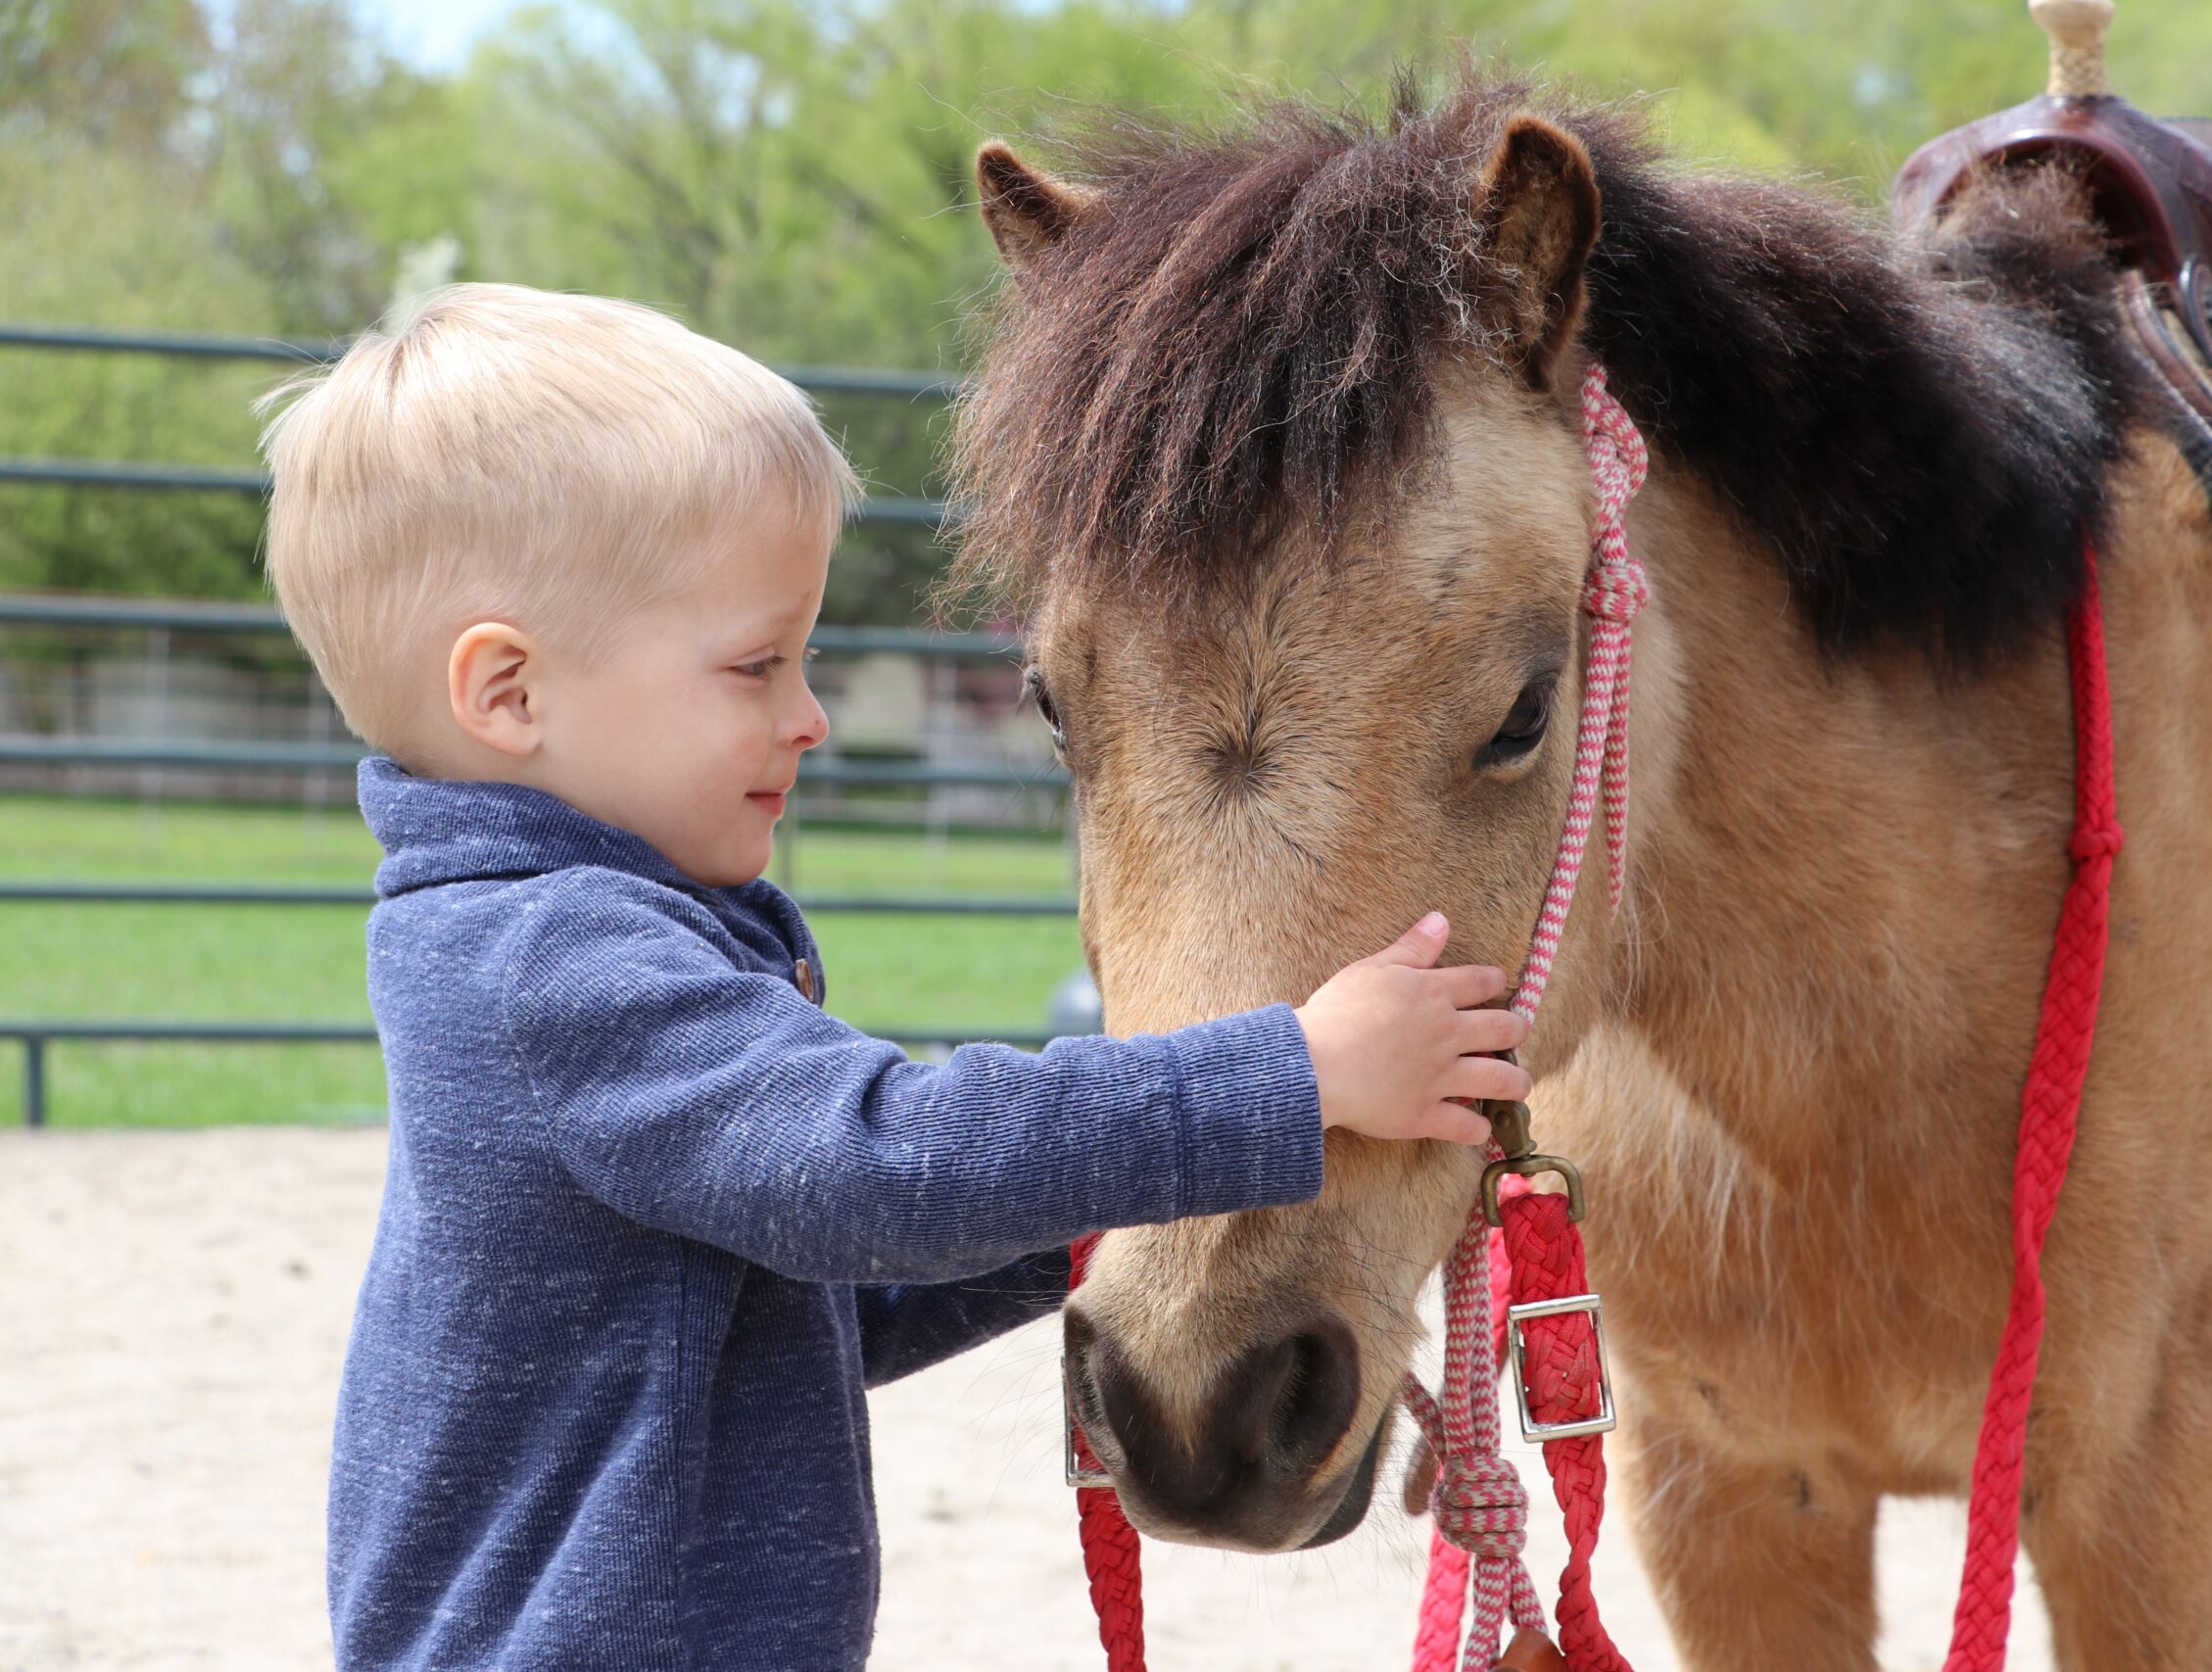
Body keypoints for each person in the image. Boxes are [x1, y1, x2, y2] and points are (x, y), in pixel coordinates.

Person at [257, 282, 1532, 1672]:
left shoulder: (539, 935)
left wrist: (1113, 1216)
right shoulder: (556, 961)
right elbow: (875, 1173)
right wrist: (1294, 1075)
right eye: (756, 666)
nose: (806, 717)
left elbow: (805, 1305)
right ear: (509, 695)